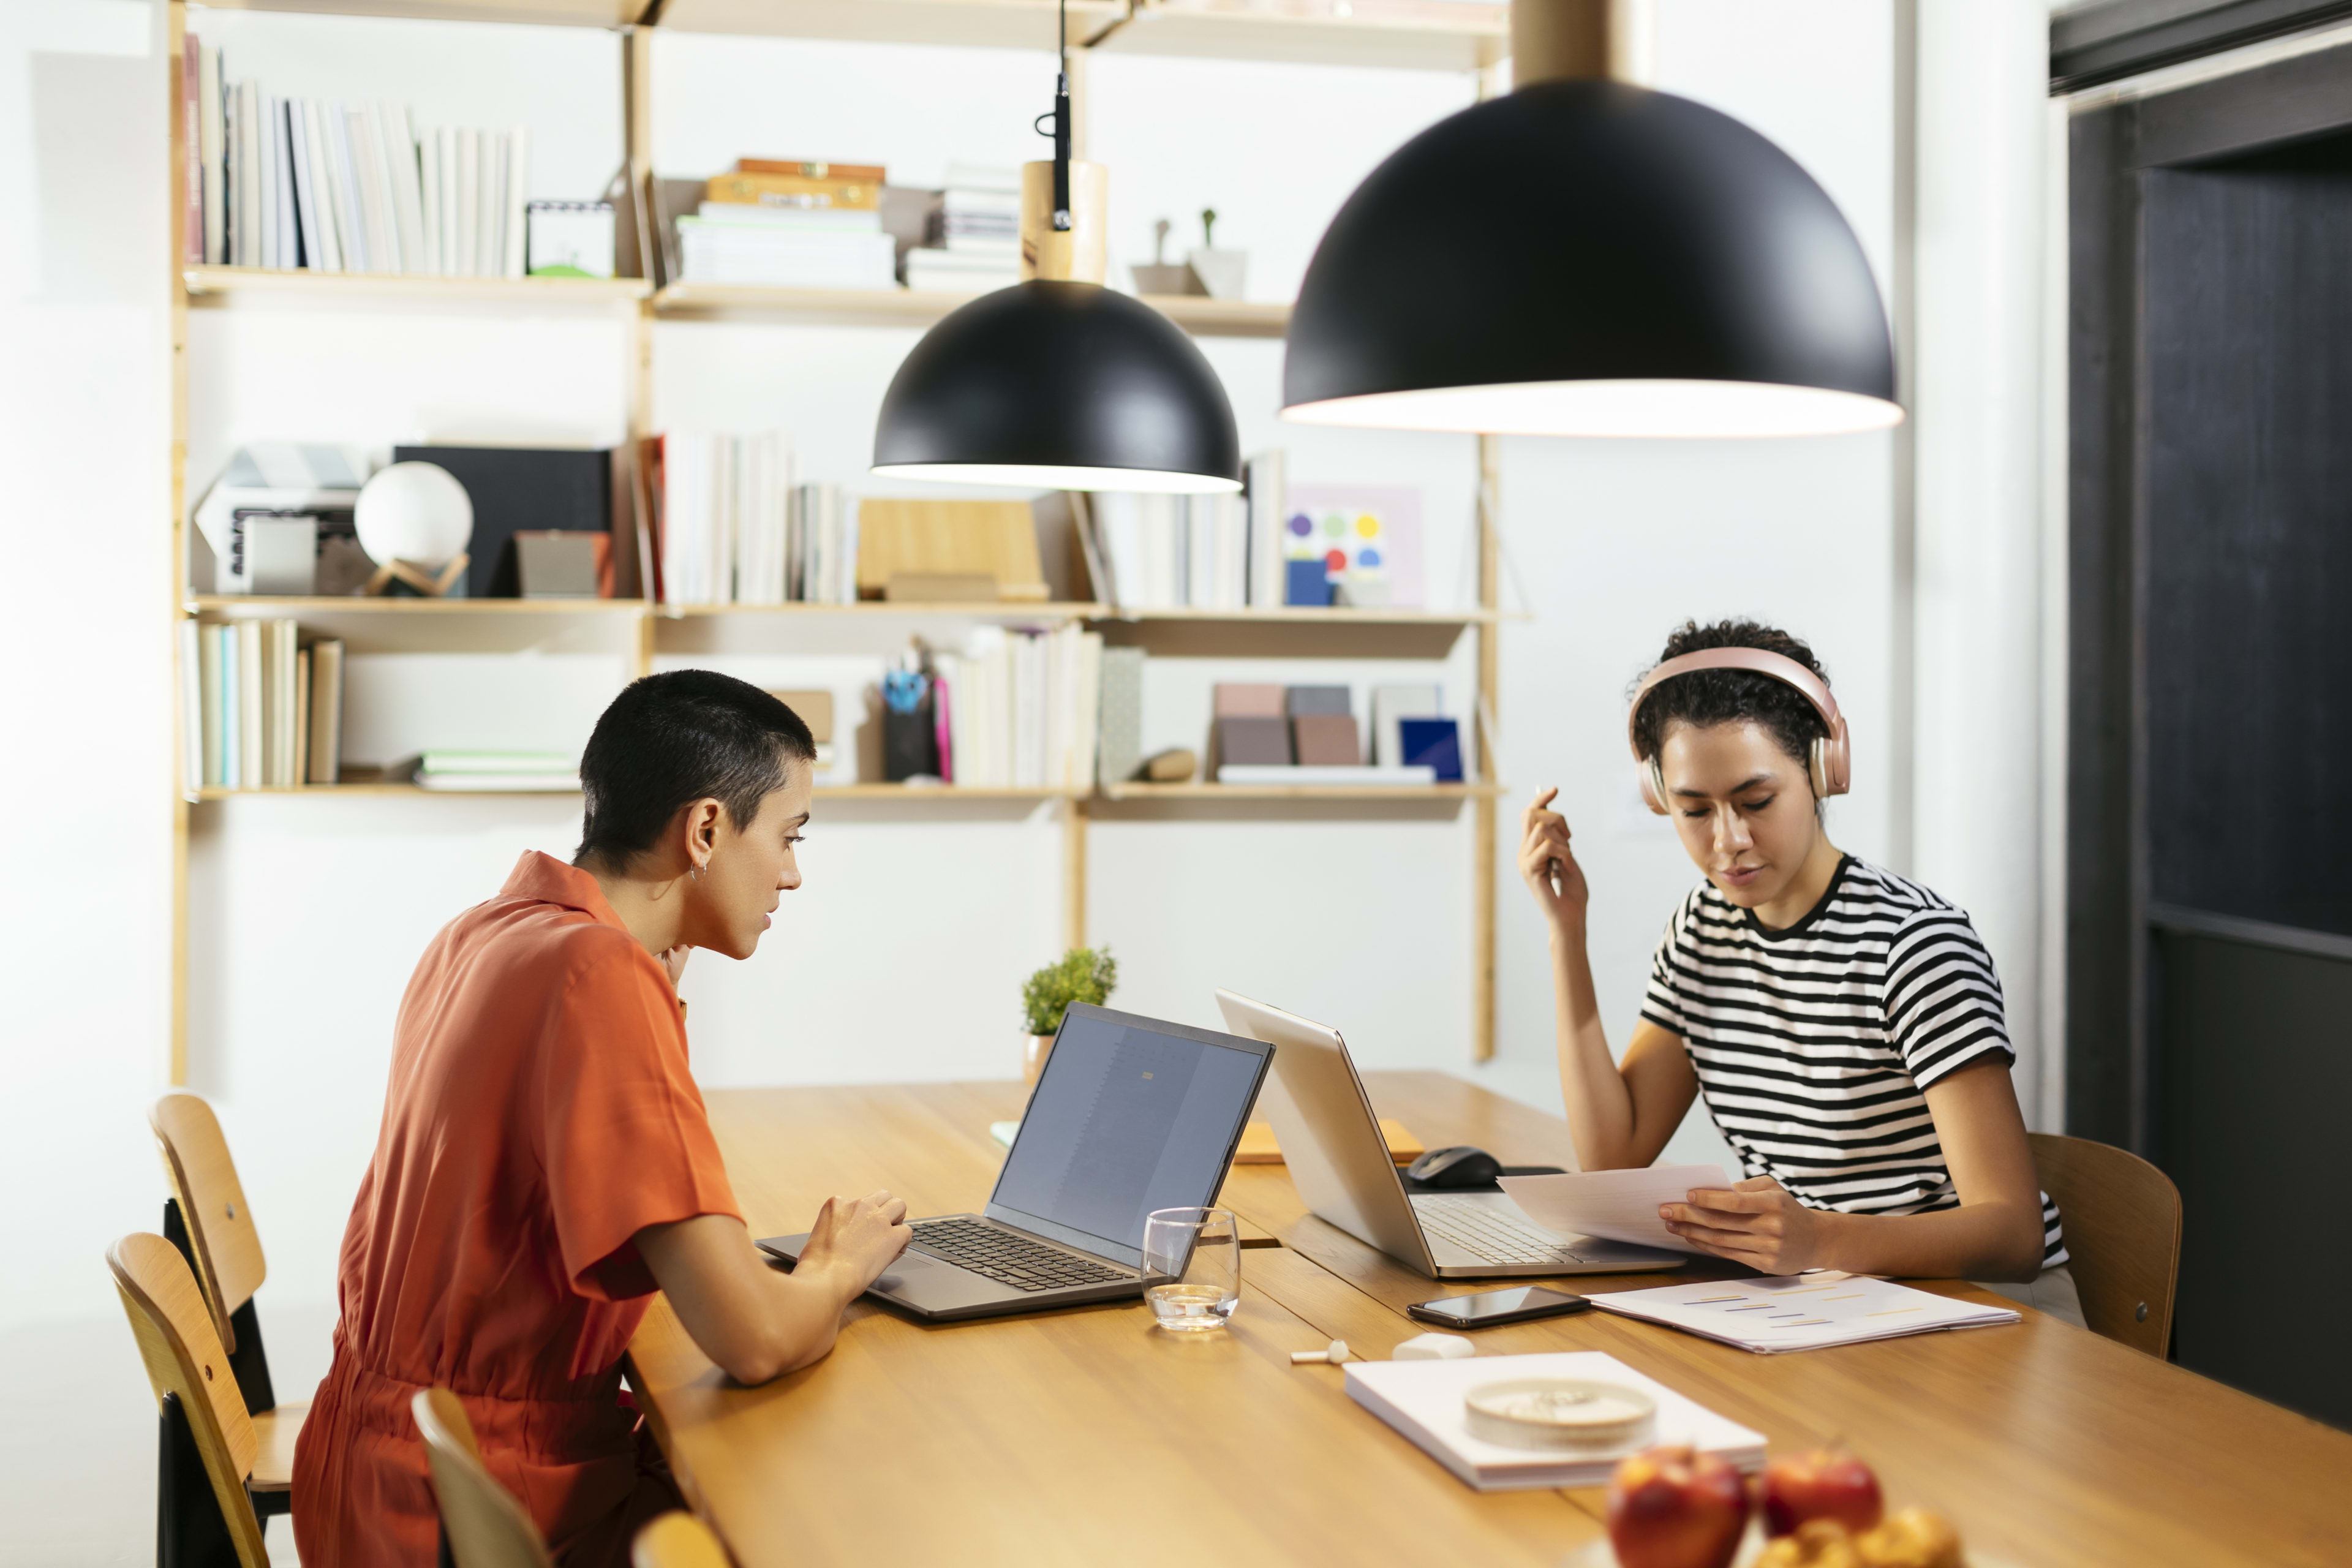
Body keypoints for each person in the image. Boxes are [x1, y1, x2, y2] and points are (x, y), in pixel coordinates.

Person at [294, 671, 914, 1568]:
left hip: (376, 1471)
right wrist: (833, 1268)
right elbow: (756, 1339)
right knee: (830, 1500)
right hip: (478, 1513)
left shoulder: (489, 931)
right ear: (705, 829)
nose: (792, 873)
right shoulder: (599, 978)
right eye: (788, 835)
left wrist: (666, 957)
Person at [1517, 619, 2084, 1326]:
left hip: (1983, 1307)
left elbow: (2012, 1236)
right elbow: (1613, 1153)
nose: (1729, 841)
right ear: (1661, 796)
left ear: (1821, 772)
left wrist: (1817, 1237)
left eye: (1757, 802)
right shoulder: (1704, 929)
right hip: (1837, 1300)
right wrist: (1565, 933)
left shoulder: (1914, 944)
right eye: (1694, 810)